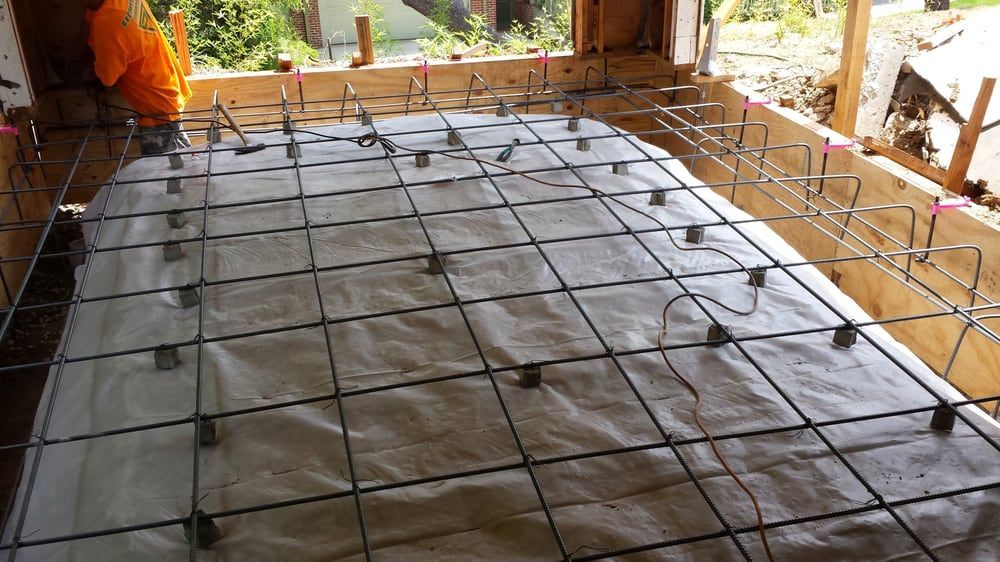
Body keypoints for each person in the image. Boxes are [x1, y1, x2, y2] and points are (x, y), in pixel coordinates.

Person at [85, 0, 193, 155]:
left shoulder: (107, 20)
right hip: (166, 90)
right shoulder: (118, 6)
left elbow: (107, 77)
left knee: (164, 168)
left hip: (156, 110)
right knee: (183, 162)